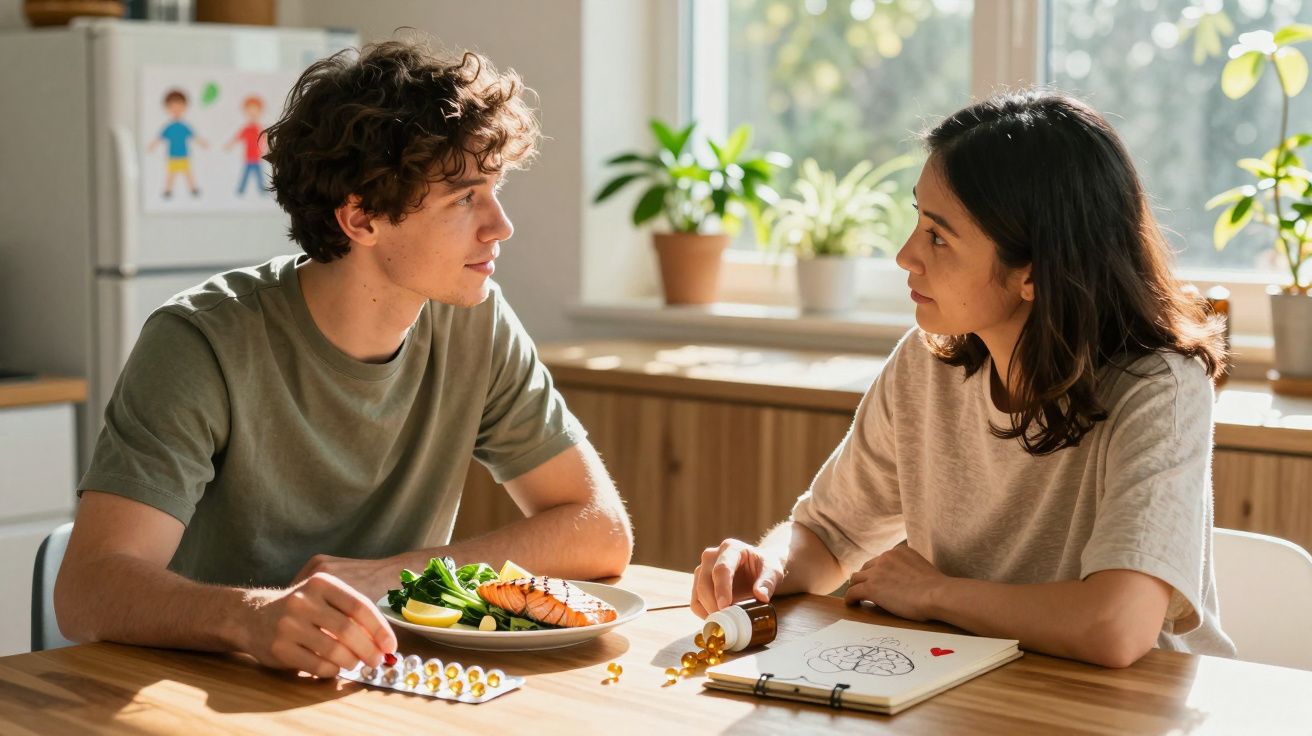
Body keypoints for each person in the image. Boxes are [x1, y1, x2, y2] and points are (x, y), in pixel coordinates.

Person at [56, 39, 633, 678]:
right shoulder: (202, 342)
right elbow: (87, 590)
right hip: (209, 688)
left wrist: (391, 574)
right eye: (465, 198)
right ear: (360, 218)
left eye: (495, 190)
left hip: (387, 681)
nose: (501, 225)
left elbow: (599, 529)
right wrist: (254, 617)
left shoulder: (478, 321)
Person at [690, 90, 1235, 668]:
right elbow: (828, 534)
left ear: (1034, 272)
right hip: (971, 686)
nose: (905, 256)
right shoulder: (927, 362)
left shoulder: (1160, 388)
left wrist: (934, 594)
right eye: (917, 223)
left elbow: (1115, 626)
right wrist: (770, 562)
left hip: (1137, 710)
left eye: (938, 237)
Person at [147, 88, 207, 198]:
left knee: (188, 173)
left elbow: (194, 136)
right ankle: (168, 190)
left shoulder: (184, 126)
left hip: (183, 154)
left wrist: (202, 143)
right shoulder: (169, 127)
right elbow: (160, 137)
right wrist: (152, 145)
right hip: (172, 155)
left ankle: (193, 189)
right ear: (167, 108)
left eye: (179, 106)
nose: (176, 109)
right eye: (173, 107)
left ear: (184, 107)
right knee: (171, 174)